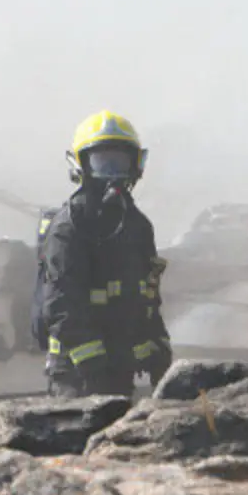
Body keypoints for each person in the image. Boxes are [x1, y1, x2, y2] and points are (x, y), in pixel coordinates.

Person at [38, 110, 173, 398]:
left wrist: (159, 349)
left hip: (118, 370)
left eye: (119, 163)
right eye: (102, 163)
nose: (112, 174)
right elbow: (61, 305)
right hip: (76, 373)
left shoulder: (137, 225)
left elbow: (146, 295)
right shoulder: (69, 226)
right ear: (80, 165)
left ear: (136, 165)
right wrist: (92, 363)